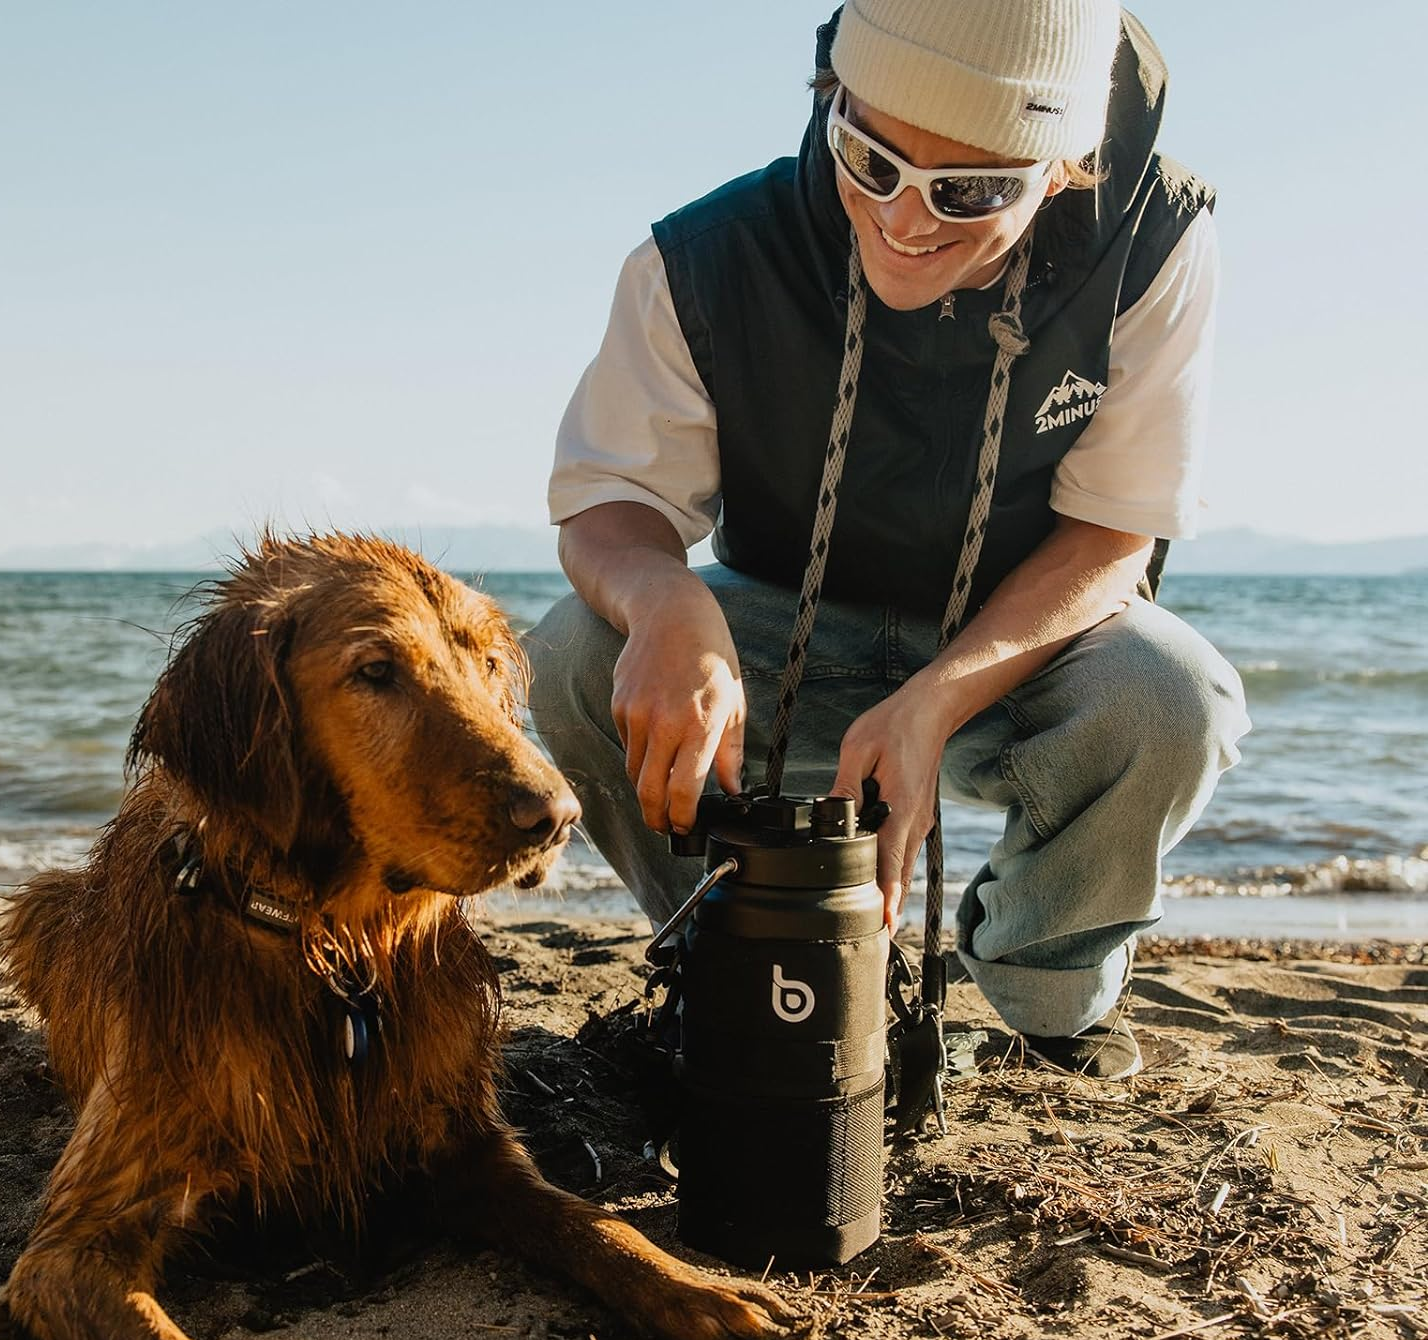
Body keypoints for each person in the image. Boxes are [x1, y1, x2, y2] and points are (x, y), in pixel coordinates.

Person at [526, 0, 1250, 1080]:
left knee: (1175, 697)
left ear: (1064, 168)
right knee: (577, 655)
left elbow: (1114, 536)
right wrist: (666, 602)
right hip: (784, 636)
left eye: (970, 191)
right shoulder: (705, 259)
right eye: (869, 159)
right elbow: (609, 501)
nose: (906, 221)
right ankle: (730, 957)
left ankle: (1045, 1013)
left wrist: (935, 701)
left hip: (1020, 650)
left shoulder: (1155, 244)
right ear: (833, 102)